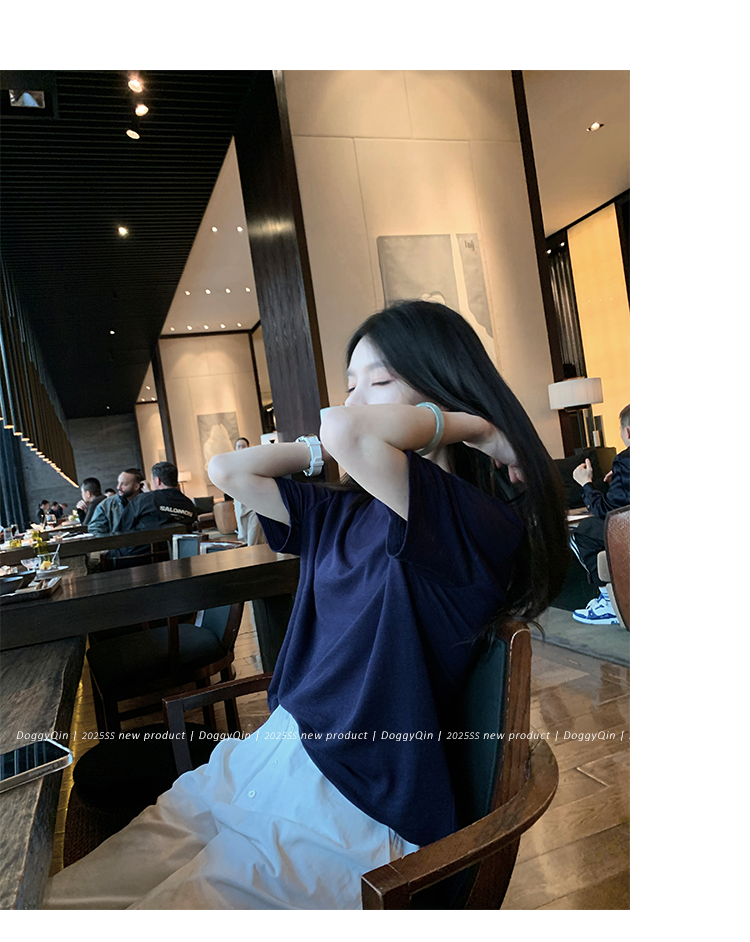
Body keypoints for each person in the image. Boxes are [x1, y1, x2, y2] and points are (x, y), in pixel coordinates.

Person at [44, 301, 568, 910]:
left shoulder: (469, 521)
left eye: (379, 382)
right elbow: (227, 468)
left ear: (439, 388)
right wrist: (319, 452)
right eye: (350, 385)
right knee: (68, 900)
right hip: (271, 755)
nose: (353, 400)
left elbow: (350, 432)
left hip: (351, 807)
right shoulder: (345, 510)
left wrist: (474, 425)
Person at [570, 404, 630, 626]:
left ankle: (611, 602)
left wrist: (585, 483)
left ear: (628, 432)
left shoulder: (626, 459)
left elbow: (609, 513)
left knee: (584, 531)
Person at [104, 462, 198, 561]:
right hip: (176, 556)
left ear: (157, 480)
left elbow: (120, 531)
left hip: (138, 558)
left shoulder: (143, 500)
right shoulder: (189, 504)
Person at [87, 469, 145, 536]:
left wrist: (148, 492)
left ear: (136, 486)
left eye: (123, 484)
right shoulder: (106, 505)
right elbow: (95, 530)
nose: (118, 487)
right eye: (118, 483)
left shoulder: (148, 503)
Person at [232, 437, 267, 546]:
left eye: (243, 446)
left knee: (254, 531)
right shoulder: (232, 463)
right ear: (235, 448)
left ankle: (255, 551)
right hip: (240, 501)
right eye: (239, 446)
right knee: (244, 533)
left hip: (254, 500)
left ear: (248, 447)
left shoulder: (254, 461)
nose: (241, 448)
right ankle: (252, 552)